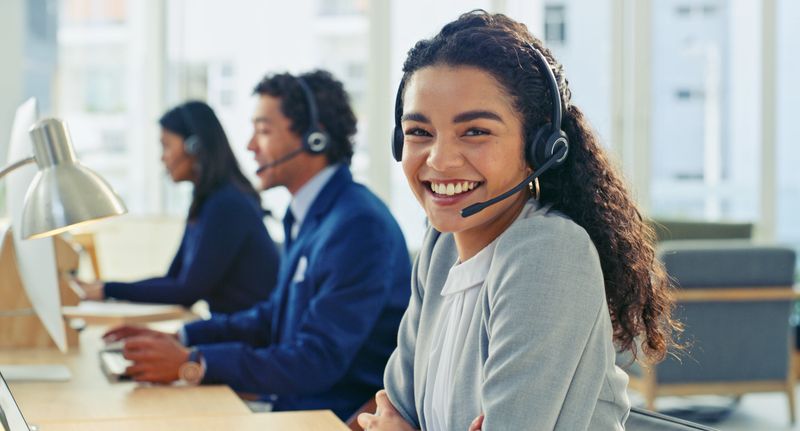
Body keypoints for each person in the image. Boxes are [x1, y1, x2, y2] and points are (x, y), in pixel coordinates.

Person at [358, 11, 680, 431]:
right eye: (419, 132)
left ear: (539, 146)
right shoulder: (441, 247)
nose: (439, 159)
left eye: (475, 131)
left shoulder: (548, 252)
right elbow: (394, 406)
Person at [103, 70, 412, 420]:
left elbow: (316, 361)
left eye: (263, 131)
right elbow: (271, 317)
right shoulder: (307, 214)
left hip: (323, 418)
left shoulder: (357, 226)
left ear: (315, 138)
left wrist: (195, 363)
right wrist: (184, 337)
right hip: (290, 404)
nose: (250, 146)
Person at [77, 101, 279, 315]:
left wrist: (108, 290)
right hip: (227, 327)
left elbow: (187, 291)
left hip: (246, 331)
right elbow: (173, 278)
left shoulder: (227, 205)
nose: (162, 157)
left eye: (166, 146)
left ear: (195, 147)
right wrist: (104, 287)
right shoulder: (205, 202)